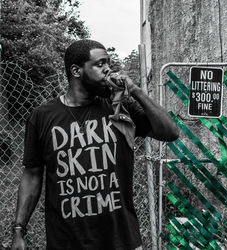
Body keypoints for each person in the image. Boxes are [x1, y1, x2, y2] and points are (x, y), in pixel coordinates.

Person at [11, 39, 179, 250]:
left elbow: (170, 132)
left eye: (108, 63)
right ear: (76, 70)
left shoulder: (118, 106)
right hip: (67, 242)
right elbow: (32, 174)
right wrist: (19, 229)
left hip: (121, 240)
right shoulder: (42, 117)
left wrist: (134, 90)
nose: (108, 69)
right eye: (100, 64)